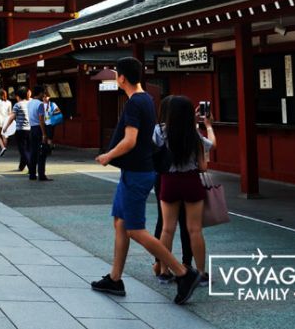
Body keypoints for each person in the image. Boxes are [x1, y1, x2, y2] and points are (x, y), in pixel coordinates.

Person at [92, 57, 201, 305]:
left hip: (137, 173)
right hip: (137, 170)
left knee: (135, 230)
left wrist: (108, 155)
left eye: (116, 74)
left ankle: (183, 273)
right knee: (120, 222)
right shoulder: (147, 99)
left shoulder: (134, 104)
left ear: (121, 77)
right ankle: (115, 278)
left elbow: (130, 140)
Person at [153, 96, 216, 286]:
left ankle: (164, 271)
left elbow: (151, 149)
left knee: (167, 228)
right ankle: (201, 273)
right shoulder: (194, 134)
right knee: (195, 230)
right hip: (191, 181)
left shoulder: (159, 131)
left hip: (168, 182)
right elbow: (207, 156)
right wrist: (209, 126)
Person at [26, 86, 51, 181]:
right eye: (43, 93)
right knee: (42, 153)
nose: (43, 95)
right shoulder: (40, 104)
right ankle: (41, 174)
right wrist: (44, 134)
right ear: (40, 93)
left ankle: (32, 174)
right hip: (39, 129)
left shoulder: (30, 103)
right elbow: (41, 119)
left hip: (32, 128)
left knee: (33, 152)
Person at [4, 88, 31, 172]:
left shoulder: (18, 105)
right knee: (28, 149)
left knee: (22, 150)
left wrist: (6, 127)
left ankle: (31, 168)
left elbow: (12, 117)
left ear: (18, 96)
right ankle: (21, 166)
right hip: (30, 129)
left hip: (21, 130)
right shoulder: (30, 104)